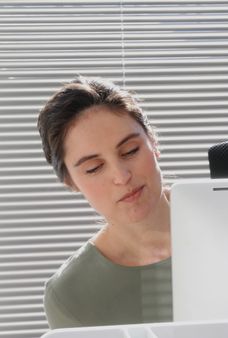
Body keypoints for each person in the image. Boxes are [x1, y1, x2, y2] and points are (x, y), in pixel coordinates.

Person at [37, 77, 172, 329]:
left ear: (153, 143)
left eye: (131, 151)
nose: (121, 177)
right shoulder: (69, 296)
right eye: (94, 168)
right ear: (70, 181)